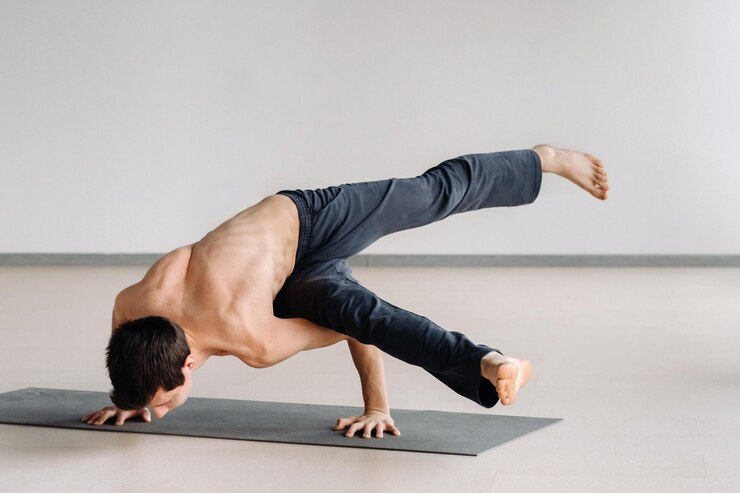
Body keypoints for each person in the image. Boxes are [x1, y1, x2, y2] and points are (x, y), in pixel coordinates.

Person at [82, 144, 609, 439]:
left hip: (310, 220)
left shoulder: (252, 340)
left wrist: (376, 405)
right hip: (275, 286)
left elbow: (350, 328)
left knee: (430, 195)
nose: (165, 410)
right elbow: (126, 341)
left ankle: (543, 159)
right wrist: (136, 394)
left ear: (187, 366)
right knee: (360, 310)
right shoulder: (132, 306)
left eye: (167, 398)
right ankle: (491, 362)